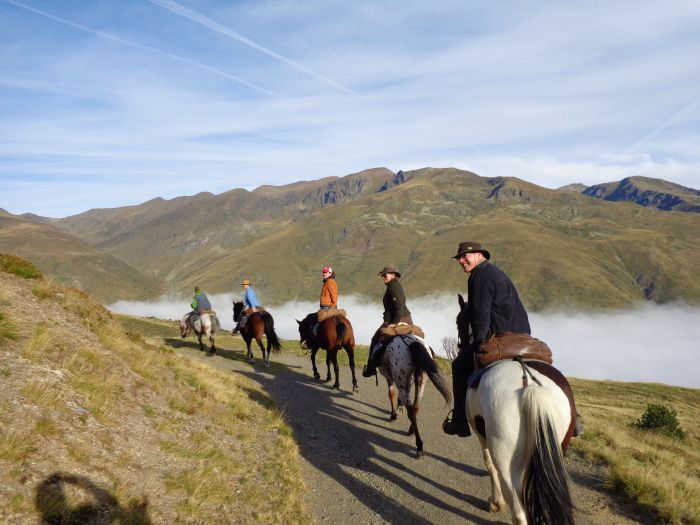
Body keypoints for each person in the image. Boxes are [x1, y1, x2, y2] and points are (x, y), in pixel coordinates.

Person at [443, 242, 531, 437]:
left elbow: (480, 315)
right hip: (523, 335)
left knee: (458, 366)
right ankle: (572, 417)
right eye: (459, 258)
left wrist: (480, 343)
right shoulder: (495, 273)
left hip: (500, 336)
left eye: (465, 256)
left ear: (479, 255)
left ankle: (459, 422)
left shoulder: (479, 276)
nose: (461, 260)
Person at [362, 267, 413, 378]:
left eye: (386, 275)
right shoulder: (391, 286)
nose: (383, 277)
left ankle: (371, 368)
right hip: (403, 318)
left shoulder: (394, 287)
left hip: (399, 318)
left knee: (374, 339)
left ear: (393, 275)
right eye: (383, 275)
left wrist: (394, 322)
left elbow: (398, 306)